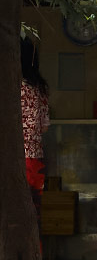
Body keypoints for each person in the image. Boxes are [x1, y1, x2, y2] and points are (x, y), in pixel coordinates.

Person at [20, 37, 49, 226]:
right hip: (36, 159)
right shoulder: (40, 88)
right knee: (32, 216)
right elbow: (44, 126)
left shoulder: (11, 87)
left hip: (14, 159)